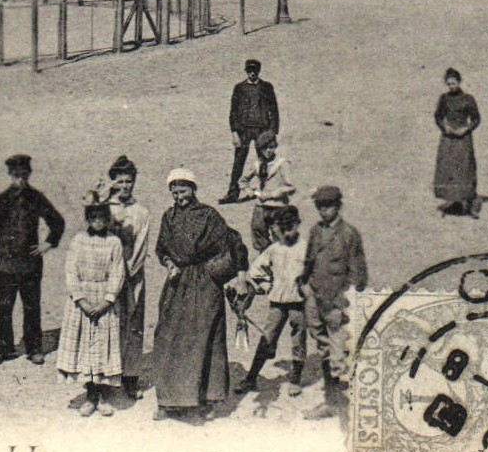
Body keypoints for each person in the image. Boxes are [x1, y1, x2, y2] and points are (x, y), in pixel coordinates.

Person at [153, 169, 248, 420]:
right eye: (174, 192)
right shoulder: (168, 217)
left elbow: (234, 241)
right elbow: (161, 248)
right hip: (177, 284)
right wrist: (169, 263)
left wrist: (241, 277)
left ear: (193, 189)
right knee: (168, 337)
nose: (179, 196)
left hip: (205, 283)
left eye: (183, 191)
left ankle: (208, 399)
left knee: (206, 338)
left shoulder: (208, 215)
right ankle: (168, 401)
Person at [0, 154, 65, 366]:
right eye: (16, 176)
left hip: (30, 264)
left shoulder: (36, 197)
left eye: (24, 175)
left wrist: (48, 244)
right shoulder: (2, 199)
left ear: (29, 174)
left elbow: (57, 222)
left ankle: (34, 349)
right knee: (5, 308)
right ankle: (3, 350)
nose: (20, 180)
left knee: (32, 307)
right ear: (10, 175)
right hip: (6, 264)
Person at [300, 186, 368, 420]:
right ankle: (331, 403)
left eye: (328, 206)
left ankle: (347, 408)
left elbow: (358, 275)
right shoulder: (316, 231)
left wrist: (344, 304)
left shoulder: (349, 234)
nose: (323, 211)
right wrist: (305, 288)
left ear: (338, 206)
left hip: (337, 304)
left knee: (340, 356)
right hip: (315, 300)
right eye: (319, 206)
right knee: (324, 350)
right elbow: (309, 262)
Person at [57, 201, 127, 417]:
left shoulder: (114, 242)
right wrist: (82, 301)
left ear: (107, 220)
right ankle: (90, 396)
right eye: (93, 218)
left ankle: (103, 397)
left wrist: (107, 300)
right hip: (82, 301)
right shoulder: (78, 240)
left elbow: (118, 272)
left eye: (102, 218)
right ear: (87, 220)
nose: (97, 222)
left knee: (103, 347)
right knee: (84, 349)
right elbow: (71, 272)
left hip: (104, 301)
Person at [235, 205, 309, 395]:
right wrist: (267, 285)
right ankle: (251, 378)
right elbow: (256, 270)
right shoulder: (274, 249)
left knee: (298, 339)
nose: (286, 232)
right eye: (282, 228)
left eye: (290, 227)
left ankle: (295, 380)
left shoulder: (306, 249)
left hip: (299, 304)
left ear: (297, 224)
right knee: (267, 338)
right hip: (277, 303)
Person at [99, 155, 151, 400]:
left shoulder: (141, 212)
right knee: (107, 326)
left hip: (132, 276)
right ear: (112, 182)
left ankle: (130, 377)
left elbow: (141, 246)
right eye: (119, 181)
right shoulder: (104, 210)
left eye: (128, 181)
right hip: (107, 277)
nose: (124, 186)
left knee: (133, 326)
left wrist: (128, 272)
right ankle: (104, 380)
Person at [223, 59, 279, 203]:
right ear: (246, 71)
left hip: (262, 130)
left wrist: (272, 131)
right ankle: (232, 194)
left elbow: (274, 109)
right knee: (238, 162)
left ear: (259, 71)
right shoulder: (239, 88)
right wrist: (234, 132)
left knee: (265, 161)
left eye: (254, 70)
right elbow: (233, 112)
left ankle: (267, 191)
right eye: (249, 71)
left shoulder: (266, 87)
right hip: (244, 131)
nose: (252, 73)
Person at [433, 67, 483, 217]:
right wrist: (444, 126)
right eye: (448, 84)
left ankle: (470, 204)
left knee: (465, 168)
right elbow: (438, 116)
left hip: (463, 139)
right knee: (448, 168)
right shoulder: (444, 99)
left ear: (459, 82)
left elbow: (476, 119)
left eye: (453, 83)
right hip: (448, 139)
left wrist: (466, 129)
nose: (451, 86)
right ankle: (454, 201)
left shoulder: (468, 99)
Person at [237, 130, 295, 252]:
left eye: (271, 147)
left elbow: (290, 186)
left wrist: (273, 194)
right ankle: (266, 255)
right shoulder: (258, 164)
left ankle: (279, 256)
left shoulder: (282, 163)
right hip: (261, 206)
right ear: (260, 149)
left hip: (278, 206)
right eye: (265, 148)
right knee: (258, 233)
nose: (269, 151)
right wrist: (248, 191)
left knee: (280, 235)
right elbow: (243, 180)